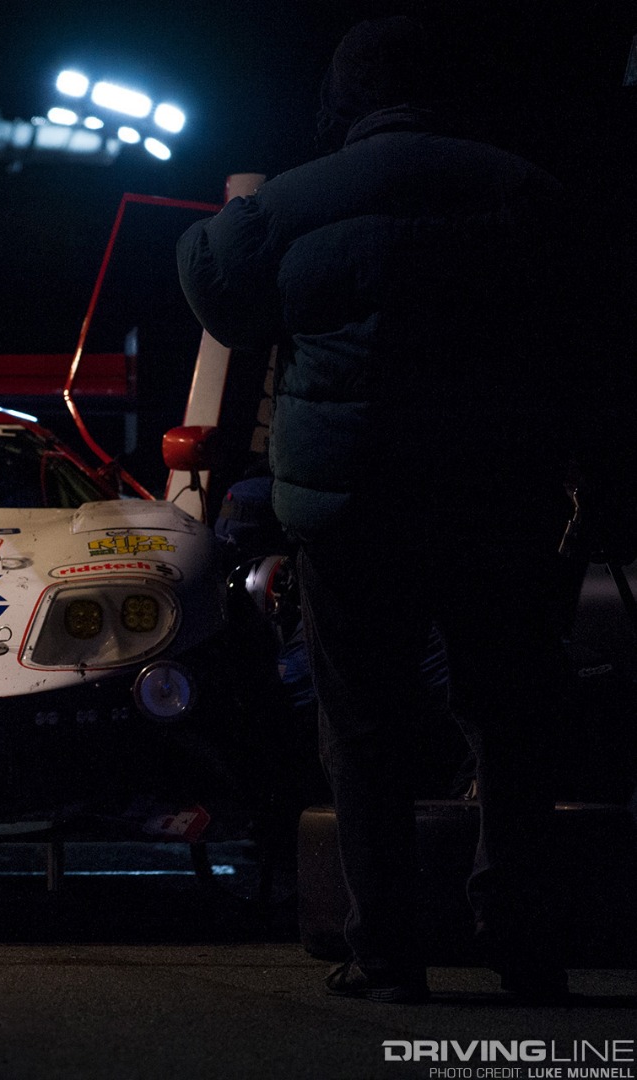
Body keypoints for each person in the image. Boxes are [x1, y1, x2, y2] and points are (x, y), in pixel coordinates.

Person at [177, 17, 580, 1003]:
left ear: (348, 96)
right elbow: (591, 326)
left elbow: (213, 287)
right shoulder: (525, 190)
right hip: (499, 491)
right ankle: (520, 944)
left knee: (362, 725)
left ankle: (386, 953)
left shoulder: (294, 203)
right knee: (510, 718)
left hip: (350, 497)